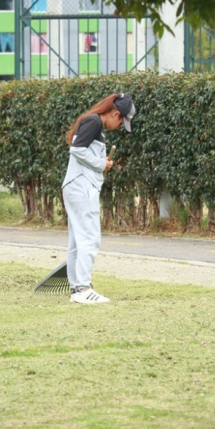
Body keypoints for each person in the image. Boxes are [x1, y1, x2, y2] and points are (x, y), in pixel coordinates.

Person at [61, 93, 136, 304]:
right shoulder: (94, 121)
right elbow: (76, 150)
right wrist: (102, 164)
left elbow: (82, 150)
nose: (120, 125)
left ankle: (77, 289)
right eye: (121, 120)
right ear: (114, 113)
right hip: (82, 188)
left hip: (76, 186)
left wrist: (100, 162)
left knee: (77, 240)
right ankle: (84, 288)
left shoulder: (92, 121)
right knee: (90, 238)